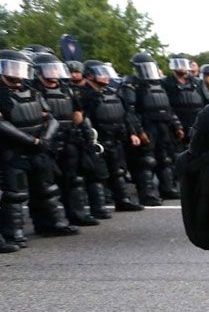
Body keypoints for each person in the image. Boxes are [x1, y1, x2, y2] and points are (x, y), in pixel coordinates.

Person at [0, 49, 80, 246]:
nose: (17, 72)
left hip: (39, 148)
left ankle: (52, 223)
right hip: (13, 150)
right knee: (15, 194)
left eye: (19, 67)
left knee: (47, 188)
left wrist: (45, 139)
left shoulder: (33, 91)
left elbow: (50, 117)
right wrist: (31, 141)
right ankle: (13, 233)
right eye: (11, 67)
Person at [31, 52, 100, 226]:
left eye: (56, 68)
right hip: (46, 142)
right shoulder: (34, 90)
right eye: (50, 68)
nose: (54, 72)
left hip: (69, 139)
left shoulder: (67, 89)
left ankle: (77, 215)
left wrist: (84, 132)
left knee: (73, 180)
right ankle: (48, 223)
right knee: (46, 185)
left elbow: (78, 114)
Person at [79, 60, 145, 214]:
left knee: (118, 172)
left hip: (115, 139)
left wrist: (132, 133)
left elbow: (125, 115)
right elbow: (82, 119)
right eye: (101, 73)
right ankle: (99, 208)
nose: (105, 77)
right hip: (97, 141)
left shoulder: (112, 92)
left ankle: (123, 201)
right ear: (89, 75)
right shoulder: (84, 95)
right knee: (97, 175)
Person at [119, 53, 184, 203]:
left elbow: (168, 107)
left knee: (166, 159)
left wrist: (177, 125)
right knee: (146, 161)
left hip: (163, 125)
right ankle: (147, 194)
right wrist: (139, 131)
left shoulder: (159, 84)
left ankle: (167, 188)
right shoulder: (131, 84)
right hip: (147, 125)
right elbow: (130, 111)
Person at [162, 55, 207, 149]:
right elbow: (165, 106)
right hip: (176, 124)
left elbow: (208, 102)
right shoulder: (166, 83)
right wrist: (176, 125)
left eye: (183, 64)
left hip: (197, 123)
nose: (182, 67)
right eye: (178, 64)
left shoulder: (197, 82)